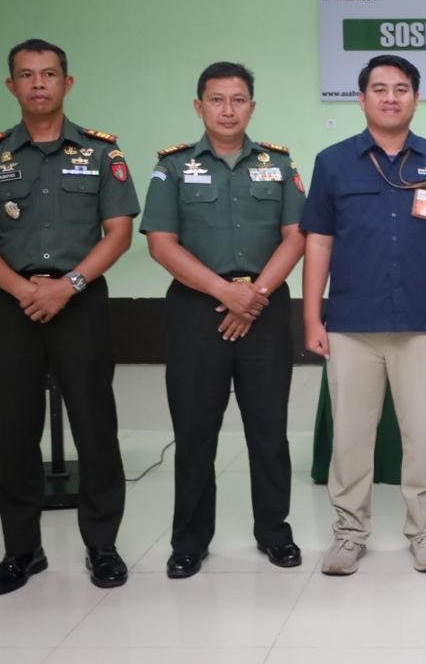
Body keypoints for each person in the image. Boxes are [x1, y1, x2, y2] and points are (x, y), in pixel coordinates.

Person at [0, 38, 139, 594]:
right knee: (14, 430)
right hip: (13, 307)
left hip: (81, 304)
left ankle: (102, 546)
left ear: (67, 83)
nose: (38, 83)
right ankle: (22, 551)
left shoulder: (102, 153)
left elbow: (119, 233)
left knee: (95, 428)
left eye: (49, 74)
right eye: (26, 75)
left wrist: (68, 286)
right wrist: (23, 289)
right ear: (11, 86)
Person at [301, 54, 426, 575]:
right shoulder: (333, 162)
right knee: (351, 439)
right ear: (361, 99)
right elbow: (319, 242)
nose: (390, 98)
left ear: (416, 99)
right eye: (379, 89)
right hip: (352, 322)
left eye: (401, 89)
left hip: (423, 321)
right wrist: (312, 317)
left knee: (425, 438)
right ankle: (349, 534)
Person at [140, 61, 306, 579]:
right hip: (197, 309)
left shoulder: (279, 164)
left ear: (252, 107)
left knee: (269, 430)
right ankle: (189, 541)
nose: (227, 110)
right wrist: (224, 292)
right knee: (195, 432)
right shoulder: (172, 167)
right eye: (216, 99)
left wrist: (254, 295)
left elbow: (296, 236)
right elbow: (161, 243)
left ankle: (274, 532)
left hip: (265, 307)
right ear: (199, 106)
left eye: (238, 100)